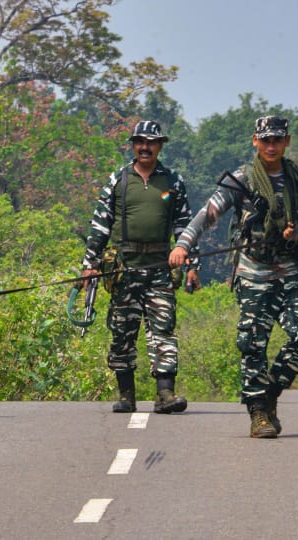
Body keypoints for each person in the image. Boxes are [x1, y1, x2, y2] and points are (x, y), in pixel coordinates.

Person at [169, 115, 298, 438]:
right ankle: (258, 415)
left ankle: (268, 394)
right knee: (254, 344)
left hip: (289, 269)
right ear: (255, 141)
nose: (271, 145)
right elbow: (206, 215)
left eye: (277, 140)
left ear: (287, 142)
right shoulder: (242, 179)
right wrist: (184, 245)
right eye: (265, 140)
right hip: (253, 272)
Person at [81, 120, 201, 415]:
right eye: (140, 142)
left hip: (161, 268)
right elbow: (99, 226)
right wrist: (89, 265)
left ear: (160, 146)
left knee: (163, 330)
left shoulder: (173, 182)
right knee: (122, 331)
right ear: (133, 145)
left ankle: (165, 395)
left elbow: (185, 226)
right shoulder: (118, 180)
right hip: (125, 269)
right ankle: (126, 395)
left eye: (151, 142)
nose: (145, 147)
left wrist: (190, 263)